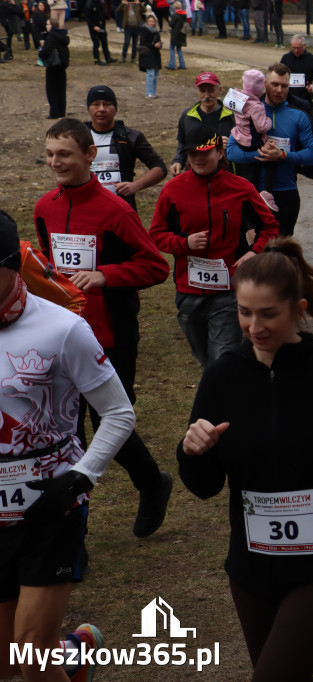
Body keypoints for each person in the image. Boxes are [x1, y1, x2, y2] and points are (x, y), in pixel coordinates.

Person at [178, 237, 313, 681]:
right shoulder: (223, 376)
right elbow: (204, 486)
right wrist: (193, 451)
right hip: (250, 566)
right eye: (244, 312)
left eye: (268, 313)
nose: (254, 325)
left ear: (297, 308)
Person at [0, 210, 132, 682]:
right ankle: (74, 656)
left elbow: (119, 413)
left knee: (31, 656)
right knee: (8, 661)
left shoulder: (63, 329)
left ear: (13, 266)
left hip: (50, 505)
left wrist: (82, 475)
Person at [35, 117, 174, 538]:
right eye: (49, 155)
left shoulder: (116, 209)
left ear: (89, 155)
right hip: (62, 334)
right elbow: (50, 267)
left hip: (111, 333)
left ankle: (152, 483)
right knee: (68, 429)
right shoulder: (45, 208)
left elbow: (155, 266)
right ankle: (73, 534)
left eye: (64, 154)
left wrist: (105, 275)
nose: (56, 162)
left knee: (109, 420)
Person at [150, 126, 280, 368]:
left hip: (229, 290)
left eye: (205, 153)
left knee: (223, 358)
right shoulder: (173, 190)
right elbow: (156, 234)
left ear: (220, 153)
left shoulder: (241, 188)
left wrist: (254, 253)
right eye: (192, 154)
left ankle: (222, 396)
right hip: (189, 291)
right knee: (204, 358)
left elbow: (270, 227)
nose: (198, 159)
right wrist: (184, 243)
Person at [226, 63, 313, 237]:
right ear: (264, 84)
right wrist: (261, 155)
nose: (279, 90)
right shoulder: (249, 110)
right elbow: (231, 152)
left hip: (286, 193)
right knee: (258, 255)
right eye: (274, 84)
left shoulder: (299, 115)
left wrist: (283, 155)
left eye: (284, 86)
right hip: (252, 192)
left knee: (282, 254)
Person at [85, 84, 168, 211]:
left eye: (107, 104)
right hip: (86, 207)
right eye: (96, 104)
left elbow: (160, 168)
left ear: (115, 108)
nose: (101, 109)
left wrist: (136, 185)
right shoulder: (78, 137)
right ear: (88, 108)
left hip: (121, 209)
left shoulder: (131, 137)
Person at [229, 69, 280, 211]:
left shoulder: (237, 98)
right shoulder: (257, 106)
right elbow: (261, 127)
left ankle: (248, 193)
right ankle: (266, 192)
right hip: (252, 142)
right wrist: (269, 121)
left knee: (253, 167)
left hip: (240, 137)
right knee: (270, 160)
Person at [170, 72, 235, 177]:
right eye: (202, 90)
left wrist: (232, 144)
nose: (206, 95)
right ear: (197, 91)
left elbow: (246, 144)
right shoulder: (188, 116)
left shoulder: (232, 116)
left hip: (225, 175)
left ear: (219, 90)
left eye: (210, 90)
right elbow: (182, 143)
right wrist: (178, 161)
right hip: (195, 175)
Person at [38, 16, 68, 119]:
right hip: (62, 65)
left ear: (52, 26)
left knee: (51, 90)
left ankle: (54, 112)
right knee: (61, 89)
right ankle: (61, 111)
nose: (46, 26)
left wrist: (41, 54)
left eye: (48, 24)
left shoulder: (51, 36)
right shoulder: (62, 35)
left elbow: (46, 51)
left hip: (53, 65)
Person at [281, 35, 313, 107]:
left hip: (305, 98)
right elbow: (280, 75)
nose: (296, 50)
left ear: (304, 46)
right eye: (294, 48)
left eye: (298, 48)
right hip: (288, 97)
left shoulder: (312, 59)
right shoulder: (285, 58)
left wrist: (312, 85)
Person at [139, 12, 162, 98]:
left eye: (153, 21)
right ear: (147, 22)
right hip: (148, 55)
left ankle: (153, 92)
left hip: (155, 54)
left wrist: (159, 44)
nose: (152, 23)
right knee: (150, 74)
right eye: (150, 21)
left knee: (155, 74)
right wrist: (153, 45)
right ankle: (148, 92)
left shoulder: (156, 31)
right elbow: (143, 42)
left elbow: (158, 40)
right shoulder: (144, 30)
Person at [84, 0, 112, 65]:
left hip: (101, 26)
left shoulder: (99, 2)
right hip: (94, 28)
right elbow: (88, 18)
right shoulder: (89, 4)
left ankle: (108, 58)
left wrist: (101, 20)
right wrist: (93, 26)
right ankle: (96, 60)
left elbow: (101, 13)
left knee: (104, 41)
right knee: (96, 43)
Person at [167, 0, 186, 69]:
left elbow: (171, 24)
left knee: (172, 48)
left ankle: (172, 65)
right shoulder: (184, 15)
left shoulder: (175, 15)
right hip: (182, 34)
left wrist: (170, 21)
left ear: (174, 7)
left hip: (175, 34)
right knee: (179, 49)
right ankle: (182, 64)